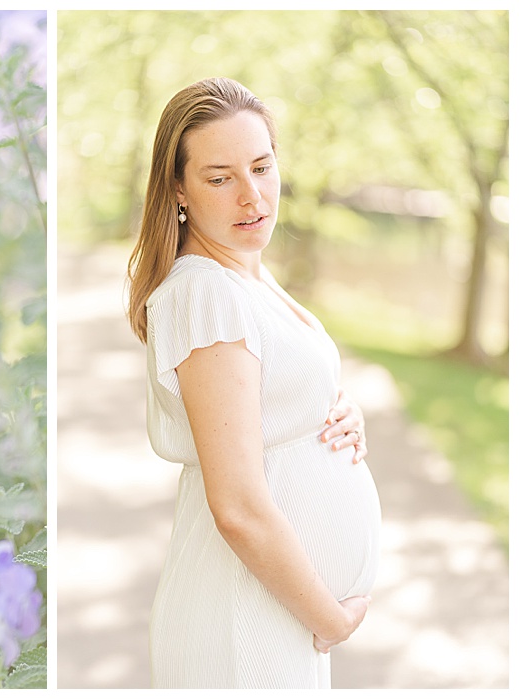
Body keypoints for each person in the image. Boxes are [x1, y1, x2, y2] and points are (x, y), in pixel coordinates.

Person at [125, 77, 381, 688]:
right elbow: (236, 505)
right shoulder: (205, 293)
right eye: (220, 178)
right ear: (178, 189)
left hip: (273, 608)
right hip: (247, 617)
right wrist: (328, 618)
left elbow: (270, 399)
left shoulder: (242, 277)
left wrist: (339, 410)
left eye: (262, 167)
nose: (252, 197)